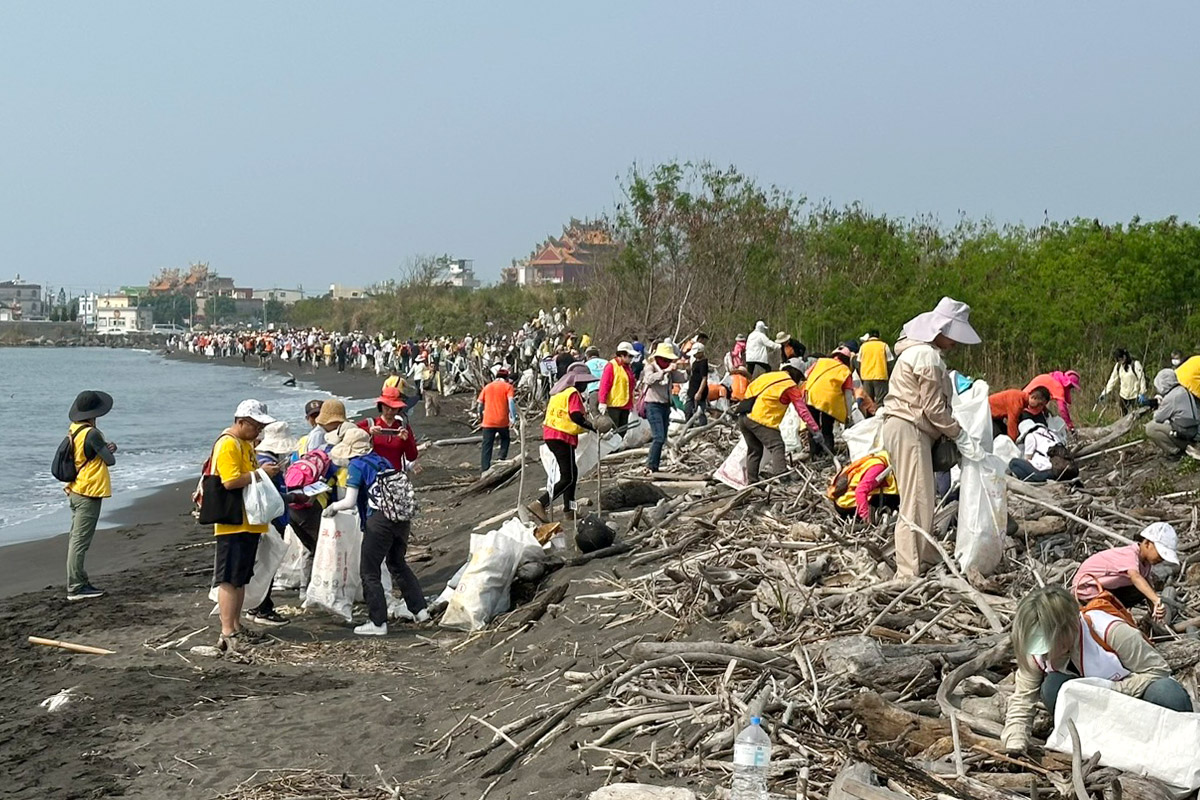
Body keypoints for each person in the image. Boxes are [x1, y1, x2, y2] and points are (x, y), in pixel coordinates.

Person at [1000, 586, 1192, 755]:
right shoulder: (1034, 652)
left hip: (1135, 706)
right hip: (1094, 718)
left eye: (1048, 645)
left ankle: (1173, 747)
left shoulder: (1111, 631)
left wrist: (1109, 691)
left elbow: (1158, 671)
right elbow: (1023, 698)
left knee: (1167, 692)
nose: (1046, 654)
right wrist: (1015, 742)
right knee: (1052, 687)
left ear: (1071, 627)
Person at [881, 297, 984, 580]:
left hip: (906, 427)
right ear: (942, 329)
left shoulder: (918, 353)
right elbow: (933, 408)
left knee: (922, 497)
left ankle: (924, 555)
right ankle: (907, 571)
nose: (955, 342)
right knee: (916, 501)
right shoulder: (926, 356)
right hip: (909, 427)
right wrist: (958, 433)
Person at [323, 428, 428, 635]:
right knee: (397, 563)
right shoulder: (382, 460)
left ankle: (378, 622)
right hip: (401, 518)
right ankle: (420, 610)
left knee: (369, 571)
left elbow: (350, 501)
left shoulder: (357, 465)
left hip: (379, 520)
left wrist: (332, 508)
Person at [211, 400, 281, 652]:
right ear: (241, 422)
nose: (259, 431)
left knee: (240, 578)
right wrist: (260, 474)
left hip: (247, 521)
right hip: (233, 522)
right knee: (229, 578)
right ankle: (228, 630)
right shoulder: (229, 443)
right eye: (255, 426)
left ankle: (236, 627)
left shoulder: (244, 443)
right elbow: (229, 481)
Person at [63, 391, 117, 601]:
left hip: (76, 488)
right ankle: (76, 586)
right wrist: (109, 450)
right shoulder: (92, 433)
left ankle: (79, 581)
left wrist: (104, 449)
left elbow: (85, 453)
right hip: (89, 490)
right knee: (80, 541)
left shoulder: (74, 429)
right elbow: (109, 461)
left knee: (75, 538)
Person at [527, 362, 598, 521]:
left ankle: (569, 509)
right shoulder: (572, 393)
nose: (585, 386)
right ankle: (540, 503)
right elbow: (575, 416)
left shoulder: (558, 393)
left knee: (572, 474)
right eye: (584, 383)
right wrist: (592, 427)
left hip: (553, 435)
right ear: (576, 382)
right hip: (561, 437)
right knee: (567, 477)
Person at [244, 420, 297, 627]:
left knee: (262, 564)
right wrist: (294, 498)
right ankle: (262, 609)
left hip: (266, 518)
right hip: (270, 519)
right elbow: (270, 496)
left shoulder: (261, 459)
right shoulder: (267, 464)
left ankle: (257, 606)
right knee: (268, 564)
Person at [737, 358, 821, 482]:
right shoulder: (789, 385)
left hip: (743, 416)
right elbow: (802, 410)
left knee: (755, 449)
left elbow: (749, 390)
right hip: (760, 419)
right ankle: (782, 476)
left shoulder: (768, 376)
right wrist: (815, 429)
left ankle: (752, 481)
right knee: (777, 445)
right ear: (796, 373)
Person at [1072, 523, 1179, 616]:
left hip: (1106, 589)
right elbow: (1135, 577)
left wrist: (1154, 608)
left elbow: (1147, 586)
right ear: (1147, 544)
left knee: (1141, 590)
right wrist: (1156, 600)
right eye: (1160, 555)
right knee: (1138, 586)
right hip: (1086, 589)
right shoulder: (1130, 554)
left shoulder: (1145, 563)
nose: (1161, 559)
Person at [640, 342, 688, 474]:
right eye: (665, 360)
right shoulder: (650, 367)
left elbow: (682, 378)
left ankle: (654, 465)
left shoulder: (671, 371)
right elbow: (649, 379)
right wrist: (664, 371)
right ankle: (650, 465)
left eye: (669, 360)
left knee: (663, 437)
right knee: (658, 436)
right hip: (653, 405)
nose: (667, 362)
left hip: (665, 405)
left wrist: (689, 369)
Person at [803, 343, 858, 456]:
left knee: (813, 427)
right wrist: (848, 414)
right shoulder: (845, 371)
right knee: (827, 429)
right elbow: (848, 395)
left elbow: (806, 374)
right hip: (829, 401)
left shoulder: (820, 362)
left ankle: (814, 453)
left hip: (811, 396)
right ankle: (829, 454)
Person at [356, 387, 418, 471]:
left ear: (399, 408)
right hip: (373, 476)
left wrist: (406, 440)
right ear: (381, 406)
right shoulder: (370, 423)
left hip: (395, 477)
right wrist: (368, 431)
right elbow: (347, 433)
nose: (390, 411)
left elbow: (412, 457)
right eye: (387, 407)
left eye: (394, 408)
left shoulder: (403, 427)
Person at [827, 450, 898, 521]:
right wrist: (866, 517)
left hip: (847, 494)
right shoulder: (879, 468)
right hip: (846, 504)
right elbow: (860, 491)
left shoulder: (882, 457)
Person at [1145, 367, 1200, 457]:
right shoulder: (1184, 390)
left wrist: (1159, 407)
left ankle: (1176, 452)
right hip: (1194, 432)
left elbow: (1158, 418)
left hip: (1186, 436)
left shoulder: (1171, 397)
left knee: (1150, 427)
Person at [477, 368, 517, 472]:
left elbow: (480, 404)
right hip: (502, 420)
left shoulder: (487, 387)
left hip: (488, 421)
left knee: (487, 444)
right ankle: (501, 457)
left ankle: (485, 468)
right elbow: (511, 402)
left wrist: (481, 417)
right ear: (506, 378)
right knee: (505, 438)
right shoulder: (508, 387)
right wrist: (513, 418)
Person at [1008, 419, 1064, 483]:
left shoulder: (1030, 436)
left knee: (1013, 463)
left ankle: (1032, 481)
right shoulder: (1051, 433)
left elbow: (1027, 458)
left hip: (1048, 472)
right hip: (1060, 469)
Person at [598, 341, 637, 430]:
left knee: (623, 431)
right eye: (630, 356)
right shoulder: (611, 366)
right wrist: (602, 401)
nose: (631, 358)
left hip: (626, 405)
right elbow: (604, 384)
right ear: (622, 355)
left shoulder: (627, 367)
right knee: (614, 432)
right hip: (614, 405)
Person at [1101, 348, 1147, 414]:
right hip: (1123, 396)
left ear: (1124, 356)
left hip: (1135, 396)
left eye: (1121, 359)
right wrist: (1104, 393)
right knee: (1122, 417)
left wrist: (1142, 392)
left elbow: (1142, 378)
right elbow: (1112, 380)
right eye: (1118, 360)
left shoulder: (1135, 364)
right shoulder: (1118, 366)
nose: (1120, 361)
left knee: (1135, 416)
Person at [857, 330, 894, 404]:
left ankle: (869, 415)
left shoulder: (863, 346)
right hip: (880, 376)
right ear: (879, 336)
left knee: (868, 402)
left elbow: (859, 362)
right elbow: (890, 362)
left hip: (866, 377)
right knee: (881, 401)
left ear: (869, 336)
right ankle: (879, 413)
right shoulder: (884, 345)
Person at [683, 343, 711, 429]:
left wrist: (699, 392)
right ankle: (689, 428)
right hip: (692, 389)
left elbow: (704, 379)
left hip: (699, 391)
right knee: (688, 410)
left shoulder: (703, 363)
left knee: (700, 412)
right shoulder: (695, 362)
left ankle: (703, 429)